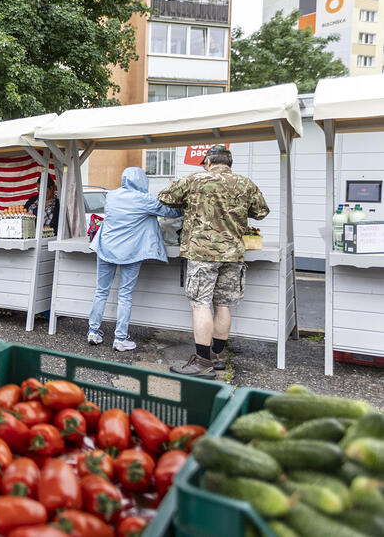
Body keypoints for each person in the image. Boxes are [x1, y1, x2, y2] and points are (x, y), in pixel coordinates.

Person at [158, 145, 269, 378]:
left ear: (208, 162)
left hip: (202, 253)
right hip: (233, 254)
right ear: (229, 163)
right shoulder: (245, 183)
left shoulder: (194, 180)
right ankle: (218, 356)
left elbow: (165, 198)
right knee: (222, 304)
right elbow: (260, 212)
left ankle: (202, 361)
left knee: (200, 304)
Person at [87, 168, 182, 352]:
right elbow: (172, 213)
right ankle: (120, 339)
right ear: (142, 181)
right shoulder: (144, 199)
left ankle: (93, 331)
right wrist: (175, 191)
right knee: (125, 295)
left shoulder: (112, 195)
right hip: (130, 252)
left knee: (101, 291)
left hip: (105, 247)